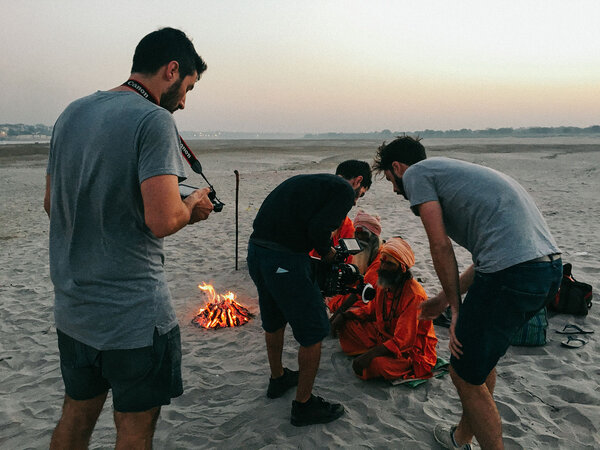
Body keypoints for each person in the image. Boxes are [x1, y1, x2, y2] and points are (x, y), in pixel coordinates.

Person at [44, 28, 213, 449]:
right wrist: (191, 207)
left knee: (76, 417)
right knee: (135, 430)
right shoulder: (154, 119)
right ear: (172, 70)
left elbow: (52, 203)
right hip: (132, 318)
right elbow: (162, 220)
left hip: (74, 310)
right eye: (188, 87)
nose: (185, 101)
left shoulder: (72, 112)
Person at [373, 136, 562, 449]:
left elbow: (439, 244)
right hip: (547, 272)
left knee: (463, 374)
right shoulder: (458, 174)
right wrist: (444, 300)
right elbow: (487, 259)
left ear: (398, 168)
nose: (396, 190)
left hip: (511, 276)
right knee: (478, 362)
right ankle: (461, 438)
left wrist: (457, 312)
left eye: (393, 181)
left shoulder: (418, 174)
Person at [247, 160, 372, 426]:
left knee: (275, 317)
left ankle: (278, 378)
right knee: (315, 329)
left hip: (257, 252)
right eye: (361, 195)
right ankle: (304, 406)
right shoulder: (343, 190)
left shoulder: (316, 184)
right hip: (284, 258)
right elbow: (318, 230)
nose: (356, 201)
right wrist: (329, 256)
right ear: (359, 181)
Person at [332, 238, 437, 381]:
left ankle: (376, 354)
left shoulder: (414, 296)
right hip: (383, 336)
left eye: (389, 264)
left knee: (376, 364)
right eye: (382, 262)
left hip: (409, 350)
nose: (383, 268)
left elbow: (403, 341)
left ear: (402, 268)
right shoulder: (384, 284)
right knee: (346, 324)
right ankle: (374, 351)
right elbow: (370, 312)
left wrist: (370, 355)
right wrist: (345, 315)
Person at [327, 210, 383, 315]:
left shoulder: (380, 260)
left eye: (364, 234)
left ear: (374, 238)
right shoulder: (356, 253)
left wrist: (339, 314)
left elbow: (363, 290)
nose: (360, 238)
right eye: (357, 233)